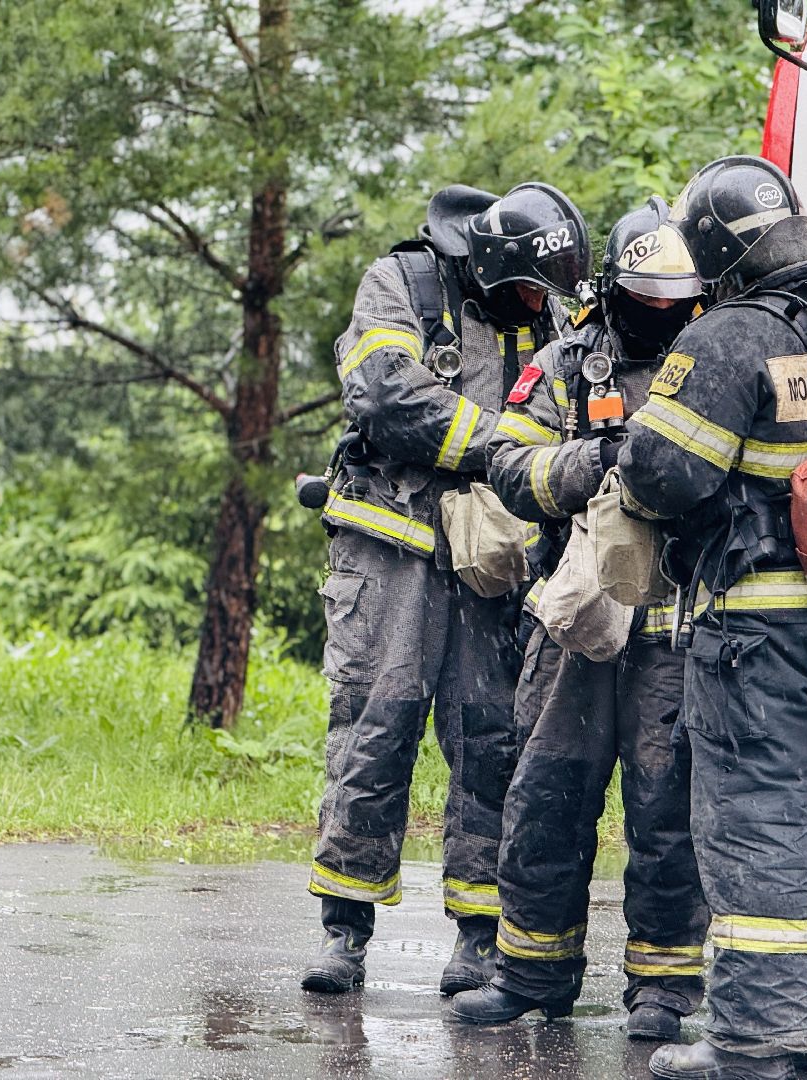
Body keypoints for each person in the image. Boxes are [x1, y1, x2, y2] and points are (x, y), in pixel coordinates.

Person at [616, 157, 807, 1080]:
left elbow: (659, 473)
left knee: (755, 832)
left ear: (721, 254)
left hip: (755, 634)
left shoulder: (731, 337)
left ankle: (754, 1046)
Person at [301, 182, 590, 997]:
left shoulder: (545, 314)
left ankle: (478, 936)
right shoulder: (401, 283)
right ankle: (344, 929)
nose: (541, 304)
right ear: (492, 264)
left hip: (491, 562)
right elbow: (386, 393)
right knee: (373, 727)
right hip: (387, 545)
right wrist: (504, 447)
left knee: (492, 739)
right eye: (531, 289)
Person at [449, 200, 710, 1041]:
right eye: (649, 297)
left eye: (678, 298)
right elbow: (507, 462)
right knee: (546, 793)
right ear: (614, 288)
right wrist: (592, 461)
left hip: (674, 624)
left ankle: (664, 989)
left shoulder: (711, 356)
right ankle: (530, 974)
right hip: (577, 621)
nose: (663, 313)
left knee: (667, 807)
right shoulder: (570, 362)